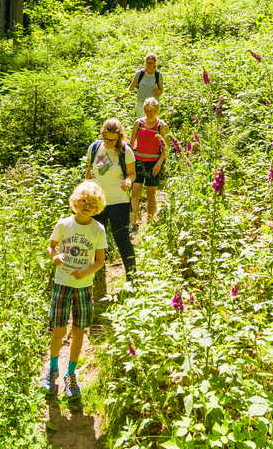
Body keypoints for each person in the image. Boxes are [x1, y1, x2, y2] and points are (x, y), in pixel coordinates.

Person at [42, 180, 107, 398]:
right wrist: (55, 256)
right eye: (83, 200)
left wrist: (86, 272)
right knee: (59, 329)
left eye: (92, 202)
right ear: (75, 201)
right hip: (62, 283)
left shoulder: (98, 229)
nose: (86, 205)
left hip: (83, 287)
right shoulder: (63, 224)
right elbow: (51, 246)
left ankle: (71, 374)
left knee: (79, 330)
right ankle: (52, 369)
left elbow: (99, 261)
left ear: (98, 206)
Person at [85, 118, 138, 279]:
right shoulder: (94, 148)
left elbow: (132, 173)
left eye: (113, 140)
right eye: (106, 139)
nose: (109, 143)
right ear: (102, 134)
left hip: (119, 201)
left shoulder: (124, 151)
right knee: (95, 239)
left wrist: (128, 180)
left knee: (121, 238)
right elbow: (89, 171)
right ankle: (98, 270)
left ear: (120, 137)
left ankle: (132, 276)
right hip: (98, 201)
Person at [129, 97, 170, 232]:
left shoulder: (162, 126)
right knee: (135, 191)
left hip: (153, 163)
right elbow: (131, 143)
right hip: (138, 162)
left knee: (151, 194)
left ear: (157, 111)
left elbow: (166, 148)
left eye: (151, 111)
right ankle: (133, 223)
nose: (149, 113)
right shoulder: (138, 123)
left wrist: (159, 164)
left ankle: (151, 223)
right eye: (146, 110)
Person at [115, 52, 164, 119]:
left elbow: (161, 91)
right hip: (141, 103)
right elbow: (130, 88)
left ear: (155, 63)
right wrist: (121, 96)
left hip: (153, 104)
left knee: (152, 126)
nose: (149, 65)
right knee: (142, 125)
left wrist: (157, 91)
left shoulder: (158, 75)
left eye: (151, 63)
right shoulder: (140, 73)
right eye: (148, 62)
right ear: (145, 62)